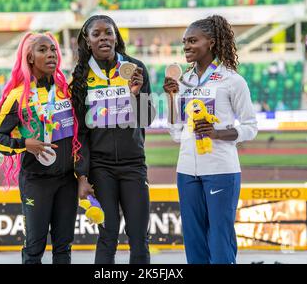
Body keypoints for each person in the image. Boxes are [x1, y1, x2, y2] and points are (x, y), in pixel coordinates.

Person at [163, 15, 258, 264]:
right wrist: (171, 98)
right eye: (184, 42)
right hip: (186, 170)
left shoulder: (232, 80)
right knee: (193, 240)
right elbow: (175, 132)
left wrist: (218, 133)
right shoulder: (184, 81)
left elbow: (250, 127)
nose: (186, 46)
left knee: (219, 238)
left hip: (220, 169)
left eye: (193, 41)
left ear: (212, 43)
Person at [0, 32, 81, 264]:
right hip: (36, 181)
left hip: (67, 180)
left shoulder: (65, 91)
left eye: (53, 50)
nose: (51, 54)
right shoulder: (17, 96)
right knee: (34, 248)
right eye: (43, 50)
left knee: (63, 248)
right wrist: (24, 145)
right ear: (29, 57)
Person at [69, 15, 155, 264]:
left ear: (116, 36)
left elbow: (147, 118)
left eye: (109, 32)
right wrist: (82, 176)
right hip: (100, 168)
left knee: (139, 236)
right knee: (108, 235)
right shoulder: (82, 77)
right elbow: (80, 134)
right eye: (97, 34)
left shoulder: (135, 68)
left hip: (133, 165)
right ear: (87, 41)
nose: (104, 37)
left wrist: (138, 95)